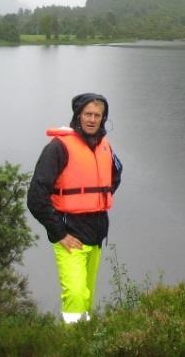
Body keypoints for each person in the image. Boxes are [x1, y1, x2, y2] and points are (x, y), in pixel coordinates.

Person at [27, 93, 122, 324]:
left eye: (97, 115)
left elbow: (115, 176)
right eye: (87, 114)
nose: (92, 119)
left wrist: (96, 200)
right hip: (70, 235)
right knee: (76, 295)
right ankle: (72, 343)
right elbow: (36, 197)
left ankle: (85, 341)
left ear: (103, 118)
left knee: (87, 296)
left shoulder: (104, 146)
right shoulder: (58, 148)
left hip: (96, 234)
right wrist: (59, 233)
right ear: (78, 116)